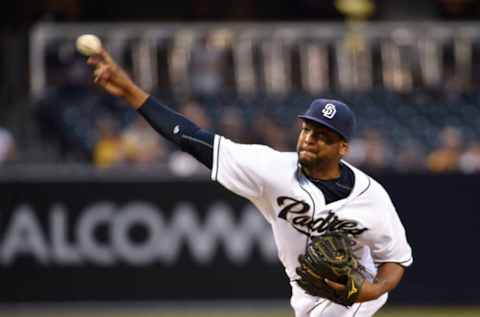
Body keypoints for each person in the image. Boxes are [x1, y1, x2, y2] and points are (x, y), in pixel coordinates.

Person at [87, 49, 412, 317]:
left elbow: (395, 259)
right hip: (306, 299)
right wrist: (130, 91)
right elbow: (191, 138)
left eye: (322, 136)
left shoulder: (371, 197)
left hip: (354, 296)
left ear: (342, 148)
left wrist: (370, 289)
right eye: (307, 130)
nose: (309, 139)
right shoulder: (270, 170)